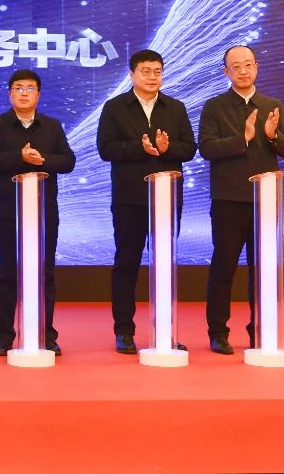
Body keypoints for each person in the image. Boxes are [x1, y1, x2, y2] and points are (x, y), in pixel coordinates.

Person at [198, 45, 284, 355]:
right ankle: (218, 332)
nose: (243, 71)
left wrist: (271, 136)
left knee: (262, 270)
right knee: (223, 268)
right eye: (236, 66)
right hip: (228, 200)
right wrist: (242, 138)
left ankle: (260, 330)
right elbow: (207, 148)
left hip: (264, 202)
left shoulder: (272, 105)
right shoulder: (214, 106)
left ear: (256, 67)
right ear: (225, 71)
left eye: (248, 65)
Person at [96, 49, 195, 354]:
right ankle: (124, 331)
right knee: (126, 263)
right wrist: (141, 148)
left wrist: (166, 149)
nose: (152, 77)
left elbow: (189, 148)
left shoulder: (175, 107)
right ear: (132, 75)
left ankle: (165, 332)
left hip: (167, 199)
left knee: (165, 264)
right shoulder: (115, 107)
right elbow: (105, 149)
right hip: (130, 199)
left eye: (157, 72)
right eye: (146, 71)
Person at [0, 68, 76, 357]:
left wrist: (41, 160)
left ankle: (46, 334)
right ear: (10, 93)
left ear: (38, 94)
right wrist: (19, 157)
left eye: (30, 88)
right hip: (8, 212)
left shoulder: (52, 127)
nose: (24, 93)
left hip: (44, 214)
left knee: (45, 274)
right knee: (8, 273)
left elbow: (68, 161)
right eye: (18, 88)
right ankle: (5, 336)